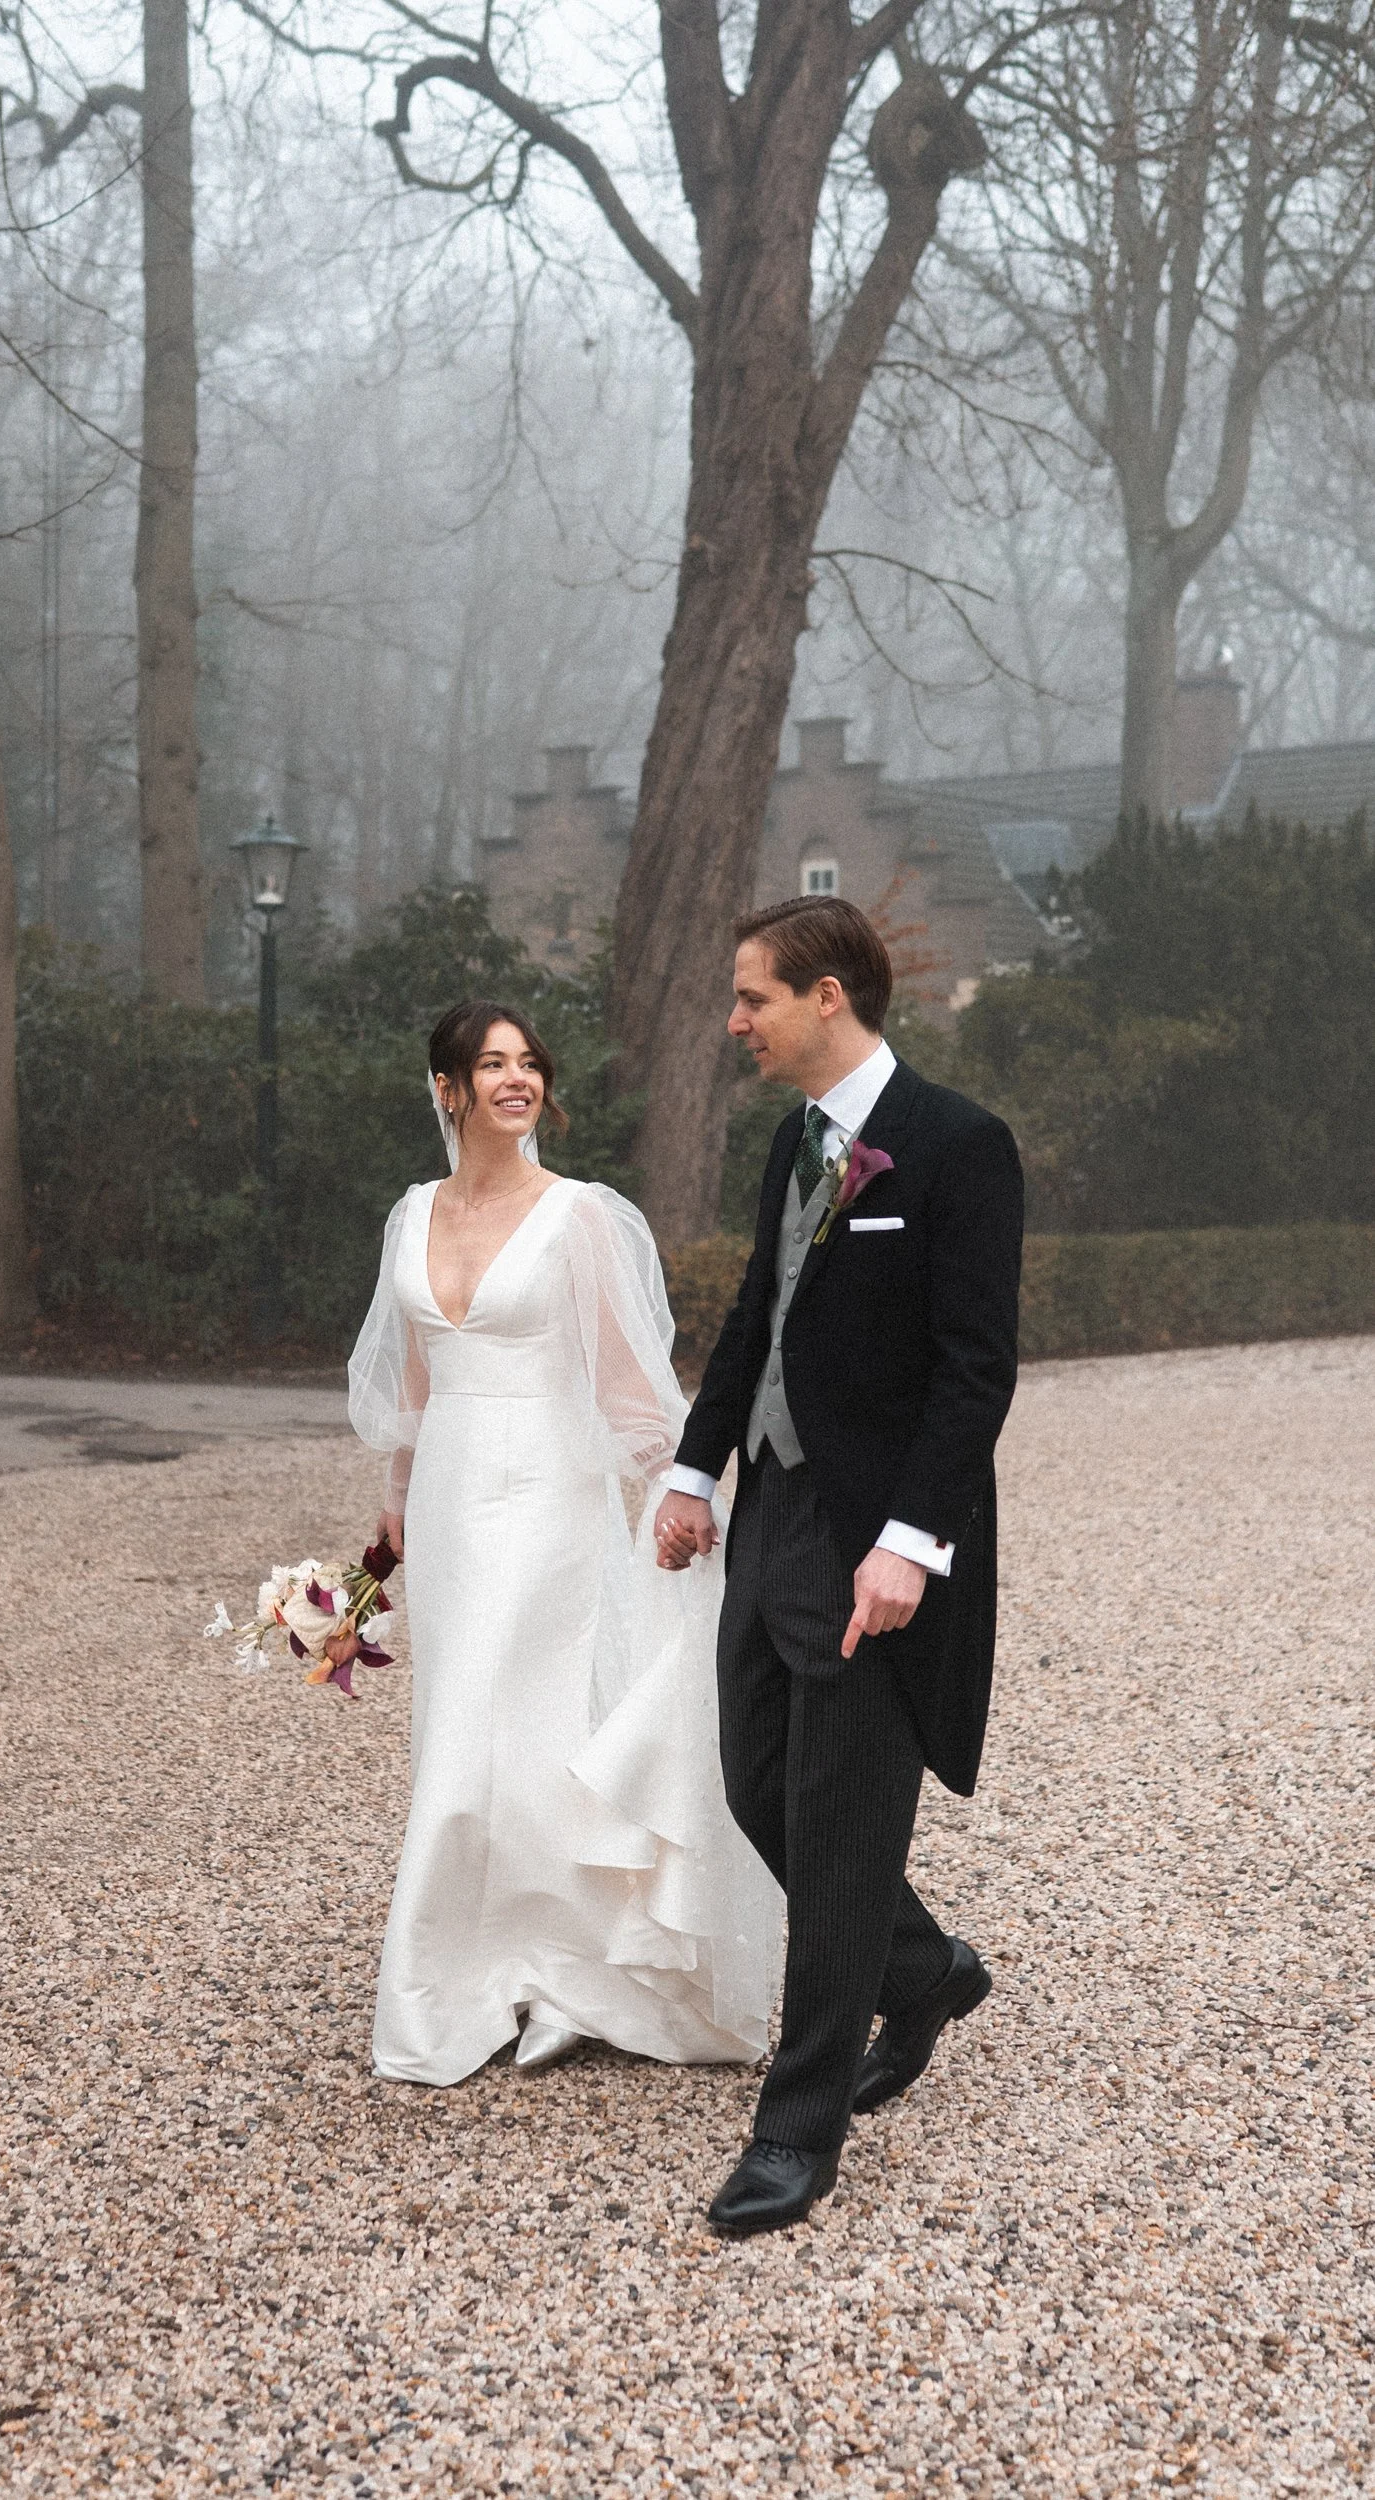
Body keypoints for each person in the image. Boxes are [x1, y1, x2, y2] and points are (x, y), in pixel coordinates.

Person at [653, 896, 1023, 2236]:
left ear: (825, 998)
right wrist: (696, 1471)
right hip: (771, 1520)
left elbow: (974, 1369)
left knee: (847, 1818)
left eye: (751, 997)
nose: (735, 1021)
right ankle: (919, 1967)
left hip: (873, 1544)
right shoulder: (796, 1139)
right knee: (759, 1785)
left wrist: (910, 1547)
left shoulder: (956, 1146)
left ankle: (794, 2131)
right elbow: (760, 1310)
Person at [348, 998, 781, 2087]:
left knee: (529, 1726)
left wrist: (672, 1491)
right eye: (490, 1064)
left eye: (527, 1062)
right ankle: (496, 1965)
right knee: (463, 1720)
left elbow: (626, 1378)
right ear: (445, 1088)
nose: (515, 1078)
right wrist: (395, 1501)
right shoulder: (411, 1212)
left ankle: (566, 1974)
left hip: (547, 1495)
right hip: (449, 1496)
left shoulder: (579, 1214)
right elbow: (410, 1373)